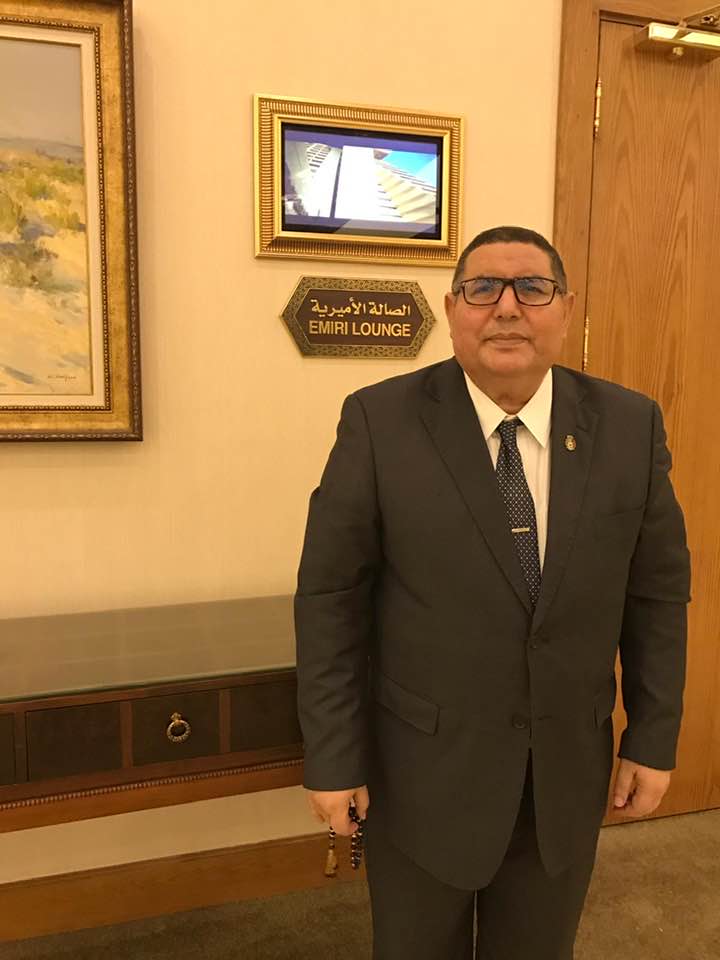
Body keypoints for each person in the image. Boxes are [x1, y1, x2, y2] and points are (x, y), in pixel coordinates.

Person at [294, 225, 691, 959]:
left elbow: (657, 595)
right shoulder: (379, 421)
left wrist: (653, 735)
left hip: (564, 776)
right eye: (482, 288)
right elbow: (330, 598)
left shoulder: (629, 425)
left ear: (566, 308)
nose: (507, 307)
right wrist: (332, 756)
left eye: (532, 288)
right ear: (453, 309)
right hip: (422, 774)